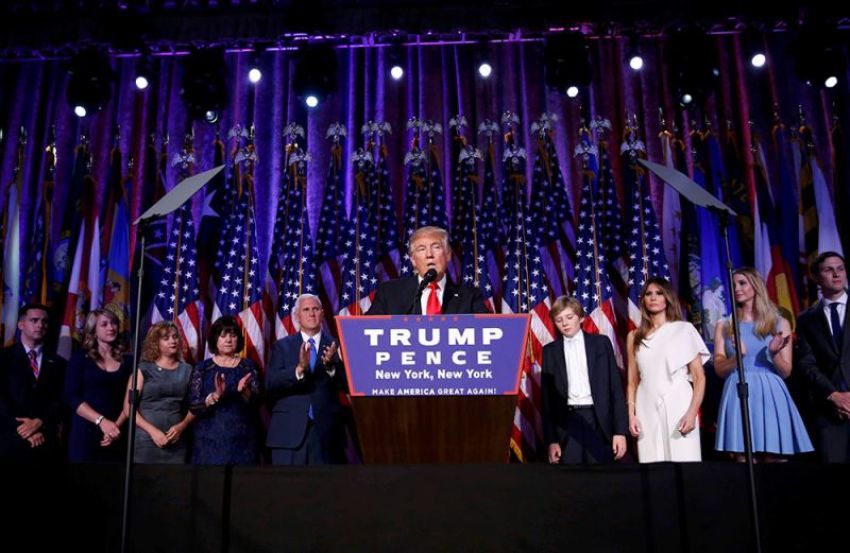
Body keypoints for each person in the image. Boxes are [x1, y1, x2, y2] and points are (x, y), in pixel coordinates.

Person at [713, 267, 813, 460]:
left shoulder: (779, 323)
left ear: (756, 286)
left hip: (771, 393)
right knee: (743, 458)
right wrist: (737, 359)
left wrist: (774, 353)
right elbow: (718, 369)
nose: (737, 288)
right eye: (733, 285)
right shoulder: (724, 325)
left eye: (742, 283)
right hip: (738, 390)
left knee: (776, 457)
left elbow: (786, 372)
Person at [627, 277, 709, 462]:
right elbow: (632, 381)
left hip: (679, 402)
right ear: (643, 300)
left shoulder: (684, 329)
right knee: (652, 464)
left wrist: (692, 412)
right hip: (645, 403)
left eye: (659, 293)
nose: (653, 298)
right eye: (648, 294)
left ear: (668, 298)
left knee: (684, 461)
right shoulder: (634, 336)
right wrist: (631, 415)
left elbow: (699, 377)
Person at [541, 296, 628, 464]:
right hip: (567, 421)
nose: (564, 323)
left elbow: (615, 389)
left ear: (581, 317)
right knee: (572, 481)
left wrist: (620, 431)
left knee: (601, 479)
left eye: (569, 317)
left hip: (599, 419)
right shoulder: (550, 351)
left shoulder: (601, 343)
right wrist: (552, 440)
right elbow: (547, 400)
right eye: (559, 320)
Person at [266, 294, 348, 464]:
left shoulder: (337, 345)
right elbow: (270, 384)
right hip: (288, 433)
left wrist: (331, 367)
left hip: (327, 434)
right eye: (306, 309)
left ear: (323, 314)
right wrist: (298, 370)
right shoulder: (282, 346)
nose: (311, 313)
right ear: (297, 316)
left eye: (315, 309)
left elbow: (349, 385)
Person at [795, 251, 850, 462]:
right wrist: (834, 395)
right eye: (829, 270)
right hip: (829, 412)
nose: (836, 274)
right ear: (816, 277)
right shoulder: (807, 319)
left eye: (841, 269)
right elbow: (807, 363)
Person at [366, 225, 489, 315]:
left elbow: (487, 331)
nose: (429, 254)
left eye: (436, 247)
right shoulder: (389, 293)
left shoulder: (470, 296)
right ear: (413, 260)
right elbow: (366, 329)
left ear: (448, 255)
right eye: (421, 249)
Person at [189, 316, 261, 465]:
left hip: (243, 440)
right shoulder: (202, 368)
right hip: (208, 441)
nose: (228, 340)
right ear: (215, 339)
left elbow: (258, 404)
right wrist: (214, 396)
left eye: (233, 335)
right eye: (223, 336)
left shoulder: (248, 366)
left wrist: (245, 392)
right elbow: (194, 405)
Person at [0, 304, 67, 462]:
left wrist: (40, 422)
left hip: (46, 443)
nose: (40, 325)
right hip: (10, 442)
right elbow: (1, 399)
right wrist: (24, 430)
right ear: (21, 325)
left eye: (44, 321)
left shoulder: (59, 363)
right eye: (34, 320)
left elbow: (61, 399)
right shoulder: (3, 358)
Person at [64, 308, 132, 463]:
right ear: (93, 330)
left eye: (114, 323)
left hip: (117, 432)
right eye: (104, 324)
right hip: (85, 432)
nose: (111, 327)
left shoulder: (128, 361)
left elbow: (130, 399)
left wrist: (114, 427)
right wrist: (101, 421)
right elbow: (71, 397)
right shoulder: (80, 358)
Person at [125, 321, 195, 464]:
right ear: (155, 342)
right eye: (166, 338)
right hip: (146, 441)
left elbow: (195, 405)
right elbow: (128, 409)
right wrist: (153, 432)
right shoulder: (143, 369)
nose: (172, 341)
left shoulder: (187, 370)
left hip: (176, 441)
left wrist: (182, 426)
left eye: (175, 337)